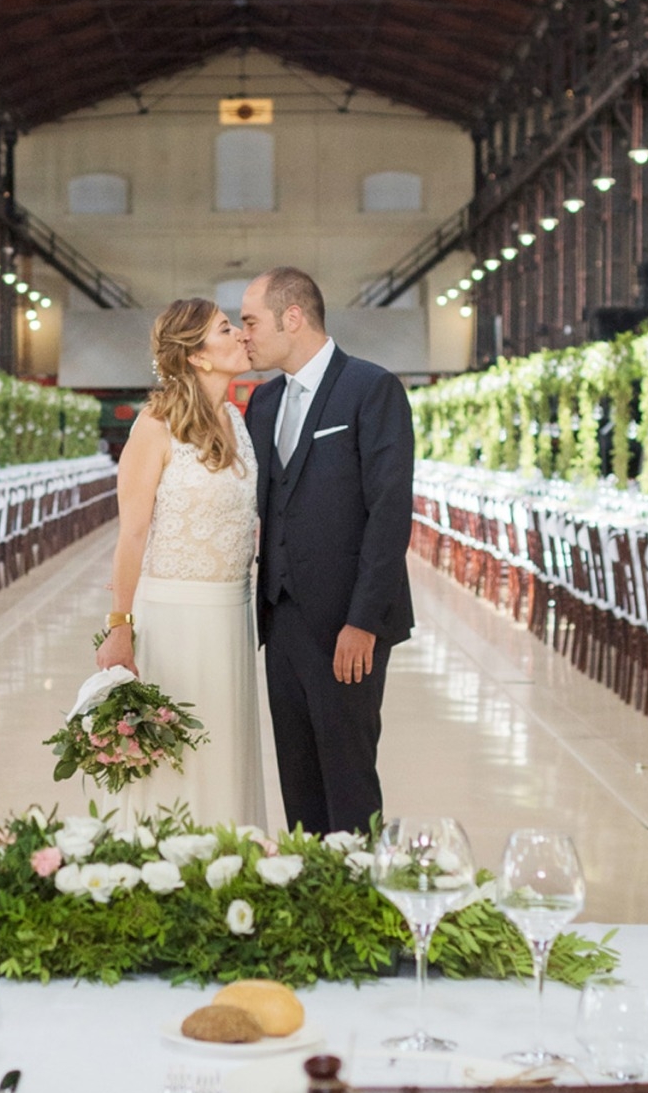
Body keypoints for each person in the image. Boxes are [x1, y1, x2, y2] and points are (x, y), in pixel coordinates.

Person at [240, 267, 415, 835]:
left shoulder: (371, 388)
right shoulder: (262, 404)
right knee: (297, 775)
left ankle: (359, 906)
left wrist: (362, 621)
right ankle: (307, 897)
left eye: (250, 322)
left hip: (349, 627)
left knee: (348, 776)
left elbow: (389, 515)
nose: (244, 336)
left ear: (293, 317)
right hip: (281, 621)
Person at [93, 297, 267, 827]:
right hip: (172, 617)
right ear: (197, 356)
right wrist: (118, 626)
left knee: (223, 748)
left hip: (230, 613)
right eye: (225, 329)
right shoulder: (155, 424)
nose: (241, 335)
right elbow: (133, 533)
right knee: (175, 757)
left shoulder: (238, 420)